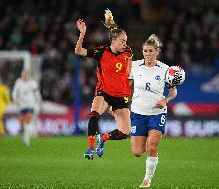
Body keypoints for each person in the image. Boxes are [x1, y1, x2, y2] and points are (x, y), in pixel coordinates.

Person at [75, 9, 133, 160]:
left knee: (124, 133)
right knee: (94, 114)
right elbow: (79, 51)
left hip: (121, 95)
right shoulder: (101, 51)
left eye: (125, 41)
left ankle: (104, 138)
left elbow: (129, 74)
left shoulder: (128, 52)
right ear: (113, 41)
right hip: (105, 92)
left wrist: (129, 91)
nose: (125, 44)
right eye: (122, 41)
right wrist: (82, 35)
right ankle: (90, 147)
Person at [129, 34, 178, 188]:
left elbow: (173, 92)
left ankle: (147, 179)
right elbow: (125, 86)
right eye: (145, 51)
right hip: (137, 112)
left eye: (150, 51)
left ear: (157, 52)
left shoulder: (165, 69)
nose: (147, 54)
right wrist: (116, 103)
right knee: (137, 151)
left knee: (152, 145)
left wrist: (165, 100)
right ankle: (147, 150)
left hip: (157, 113)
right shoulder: (135, 66)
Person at [12, 69, 42, 146]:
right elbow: (14, 92)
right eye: (24, 74)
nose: (25, 76)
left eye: (27, 74)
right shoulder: (18, 82)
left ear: (29, 75)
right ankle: (26, 138)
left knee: (28, 121)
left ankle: (26, 141)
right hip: (22, 106)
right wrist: (15, 100)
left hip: (31, 105)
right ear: (22, 75)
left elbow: (37, 94)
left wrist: (40, 102)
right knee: (24, 124)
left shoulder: (33, 83)